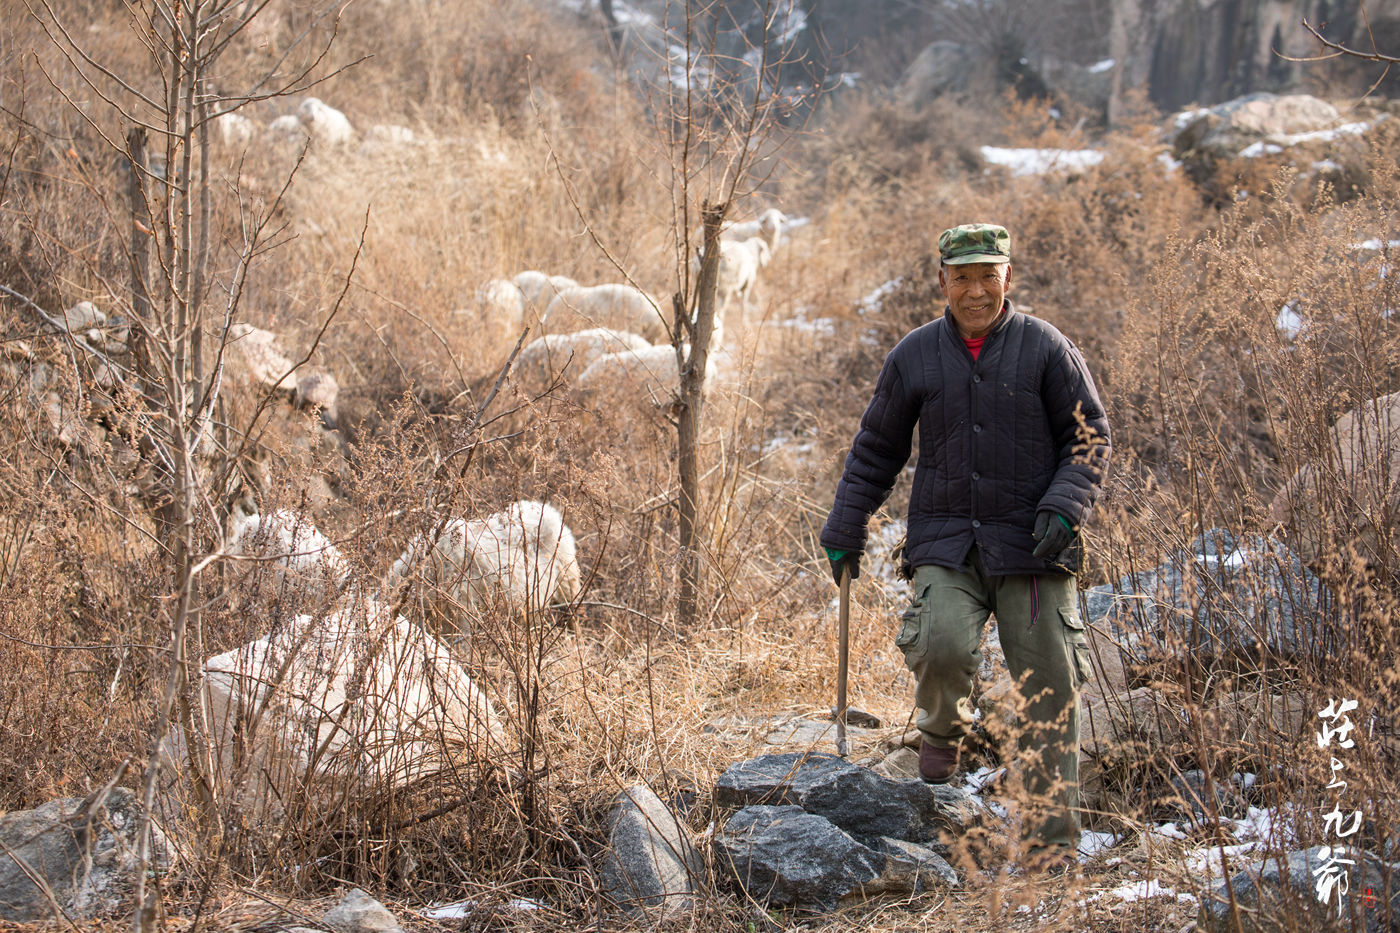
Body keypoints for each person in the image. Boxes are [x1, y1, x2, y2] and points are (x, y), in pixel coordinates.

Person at [820, 222, 1110, 869]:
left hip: (1032, 546)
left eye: (988, 275)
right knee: (942, 642)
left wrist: (1066, 505)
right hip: (947, 541)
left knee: (1050, 683)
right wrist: (846, 526)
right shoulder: (915, 355)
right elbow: (876, 451)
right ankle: (941, 729)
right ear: (941, 281)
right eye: (962, 277)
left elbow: (1090, 438)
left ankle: (1049, 842)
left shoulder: (1045, 347)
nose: (976, 290)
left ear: (1008, 276)